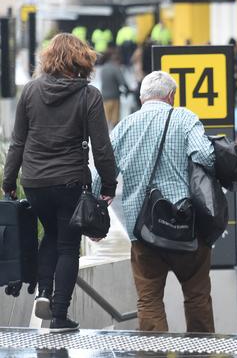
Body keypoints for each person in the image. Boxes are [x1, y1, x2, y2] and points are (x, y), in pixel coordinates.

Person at [2, 33, 117, 332]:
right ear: (82, 59)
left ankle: (43, 293)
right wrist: (109, 185)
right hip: (70, 182)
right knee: (68, 246)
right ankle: (59, 315)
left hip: (35, 181)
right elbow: (101, 147)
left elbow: (17, 142)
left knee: (50, 235)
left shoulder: (29, 91)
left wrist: (9, 181)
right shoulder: (88, 95)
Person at [102, 71, 216, 332]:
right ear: (171, 96)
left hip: (142, 230)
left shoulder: (125, 126)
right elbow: (205, 157)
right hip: (187, 227)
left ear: (142, 98)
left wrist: (98, 208)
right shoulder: (185, 118)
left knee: (149, 300)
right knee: (197, 297)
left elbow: (102, 174)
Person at [99, 48, 128, 128]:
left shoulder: (103, 68)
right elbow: (122, 82)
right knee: (115, 121)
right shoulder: (115, 68)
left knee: (106, 120)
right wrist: (127, 90)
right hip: (114, 97)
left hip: (104, 97)